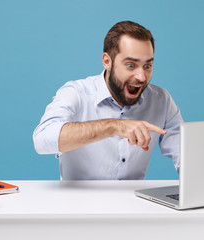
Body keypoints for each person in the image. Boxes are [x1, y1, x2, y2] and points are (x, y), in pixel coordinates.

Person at [33, 21, 183, 180]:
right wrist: (114, 126)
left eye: (147, 66)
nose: (141, 77)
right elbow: (42, 140)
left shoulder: (161, 100)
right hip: (77, 203)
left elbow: (185, 154)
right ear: (107, 61)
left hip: (134, 204)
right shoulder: (76, 93)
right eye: (131, 65)